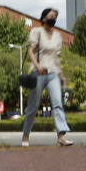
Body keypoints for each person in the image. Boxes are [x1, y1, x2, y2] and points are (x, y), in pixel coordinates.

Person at [21, 8, 72, 148]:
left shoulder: (57, 35)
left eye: (55, 17)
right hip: (38, 73)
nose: (53, 18)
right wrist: (37, 66)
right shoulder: (36, 31)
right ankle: (25, 135)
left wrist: (60, 75)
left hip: (53, 74)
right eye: (50, 16)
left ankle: (61, 136)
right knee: (33, 106)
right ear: (43, 18)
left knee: (57, 104)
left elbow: (56, 57)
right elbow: (30, 51)